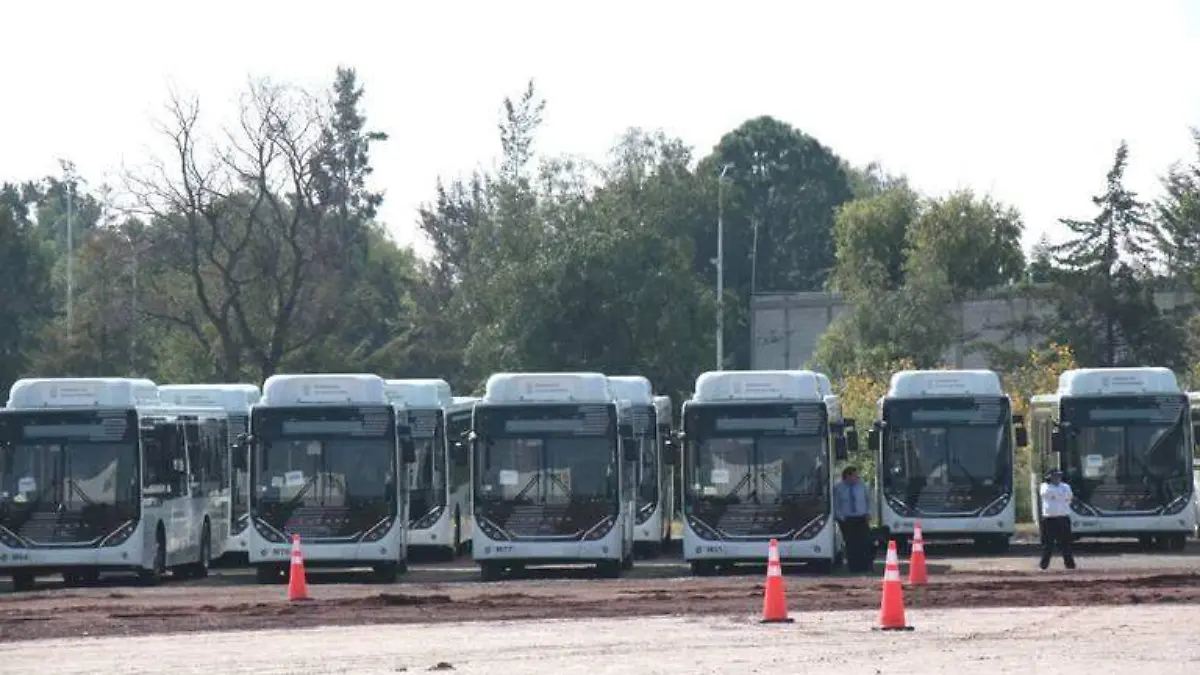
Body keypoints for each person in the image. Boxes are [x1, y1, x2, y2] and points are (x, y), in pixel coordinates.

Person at [834, 465, 873, 573]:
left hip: (861, 518)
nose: (857, 478)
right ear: (847, 476)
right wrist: (841, 518)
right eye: (854, 476)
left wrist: (869, 513)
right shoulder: (838, 488)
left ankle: (866, 566)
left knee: (865, 542)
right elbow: (836, 505)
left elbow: (869, 499)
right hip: (847, 520)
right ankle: (854, 567)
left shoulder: (862, 486)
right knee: (851, 544)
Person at [1039, 468, 1076, 570]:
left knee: (1066, 544)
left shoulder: (1066, 486)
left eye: (1059, 476)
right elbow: (1048, 494)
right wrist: (1060, 495)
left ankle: (1070, 565)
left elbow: (1069, 496)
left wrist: (1058, 495)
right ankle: (1043, 566)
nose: (1057, 478)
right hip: (1049, 520)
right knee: (1048, 544)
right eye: (1055, 476)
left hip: (1063, 518)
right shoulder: (1044, 486)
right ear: (1049, 477)